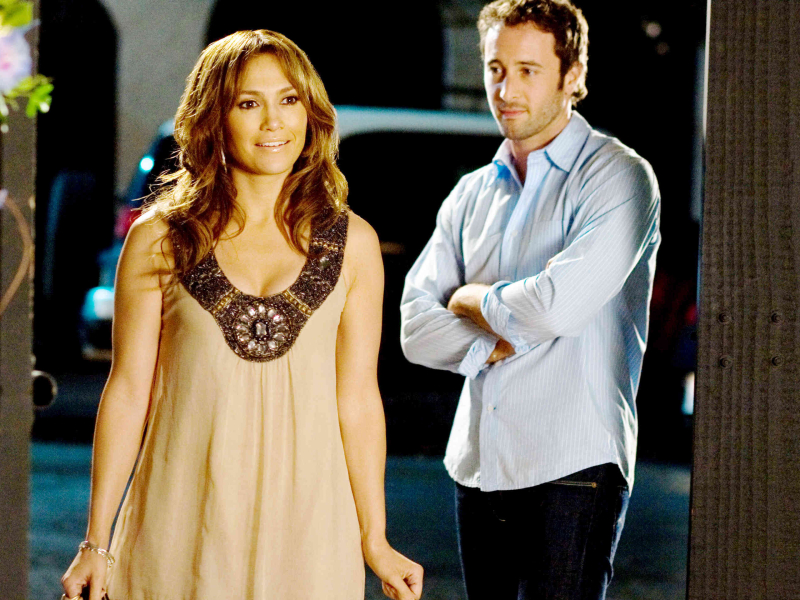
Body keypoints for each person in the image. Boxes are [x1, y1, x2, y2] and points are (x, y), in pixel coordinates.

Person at [61, 29, 423, 600]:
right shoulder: (160, 238)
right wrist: (95, 543)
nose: (274, 122)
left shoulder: (353, 243)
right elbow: (128, 391)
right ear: (214, 118)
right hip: (179, 523)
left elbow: (357, 399)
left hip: (310, 529)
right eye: (249, 103)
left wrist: (374, 538)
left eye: (289, 99)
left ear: (310, 113)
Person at [400, 1, 661, 598]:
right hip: (479, 465)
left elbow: (554, 308)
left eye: (528, 70)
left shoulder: (618, 177)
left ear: (573, 75)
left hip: (574, 467)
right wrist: (488, 344)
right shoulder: (471, 193)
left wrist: (469, 296)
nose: (506, 89)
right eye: (496, 68)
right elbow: (414, 328)